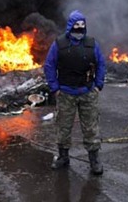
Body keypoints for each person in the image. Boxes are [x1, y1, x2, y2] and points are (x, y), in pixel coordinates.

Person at [44, 10, 106, 175]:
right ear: (70, 26)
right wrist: (54, 88)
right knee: (63, 126)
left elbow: (101, 64)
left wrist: (98, 85)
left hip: (87, 91)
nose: (80, 28)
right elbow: (49, 65)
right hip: (66, 93)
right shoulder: (59, 44)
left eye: (82, 25)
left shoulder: (92, 44)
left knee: (91, 127)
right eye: (76, 25)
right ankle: (63, 157)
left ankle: (94, 160)